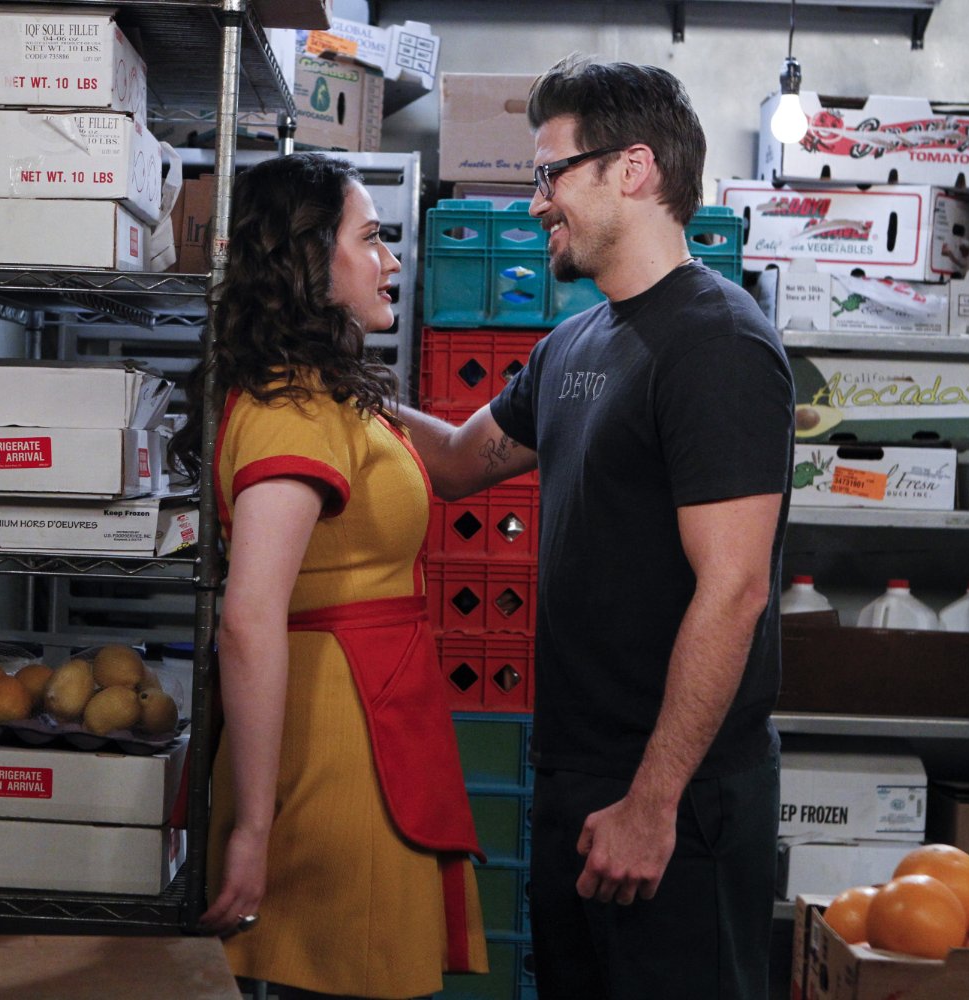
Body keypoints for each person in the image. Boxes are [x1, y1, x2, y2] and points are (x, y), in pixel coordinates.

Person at [401, 57, 794, 999]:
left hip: (673, 796)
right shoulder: (574, 344)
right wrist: (337, 385)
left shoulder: (719, 343)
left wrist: (652, 804)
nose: (536, 202)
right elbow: (454, 462)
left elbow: (735, 589)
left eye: (550, 174)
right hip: (575, 776)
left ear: (634, 168)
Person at [174, 152, 488, 999]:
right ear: (311, 258)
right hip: (334, 758)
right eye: (371, 238)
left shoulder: (326, 393)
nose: (391, 261)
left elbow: (463, 456)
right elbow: (249, 618)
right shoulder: (294, 408)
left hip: (368, 729)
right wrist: (254, 829)